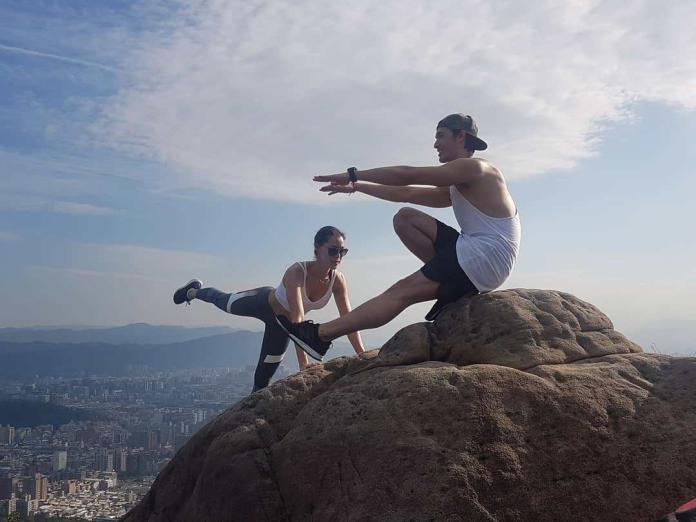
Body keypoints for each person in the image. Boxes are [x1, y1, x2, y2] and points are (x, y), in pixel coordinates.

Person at [276, 114, 521, 362]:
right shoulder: (460, 185)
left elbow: (406, 175)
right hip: (479, 253)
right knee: (405, 218)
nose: (435, 144)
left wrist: (353, 174)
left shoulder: (475, 168)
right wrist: (358, 187)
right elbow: (406, 193)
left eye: (440, 136)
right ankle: (452, 286)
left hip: (485, 256)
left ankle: (320, 335)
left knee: (401, 291)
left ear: (461, 137)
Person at [173, 226, 365, 392]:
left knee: (262, 380)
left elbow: (348, 320)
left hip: (281, 328)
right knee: (225, 302)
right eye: (333, 251)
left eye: (343, 251)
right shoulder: (297, 272)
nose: (338, 257)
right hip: (262, 303)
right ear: (317, 249)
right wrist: (304, 365)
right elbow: (298, 321)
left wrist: (362, 355)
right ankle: (193, 292)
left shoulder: (337, 280)